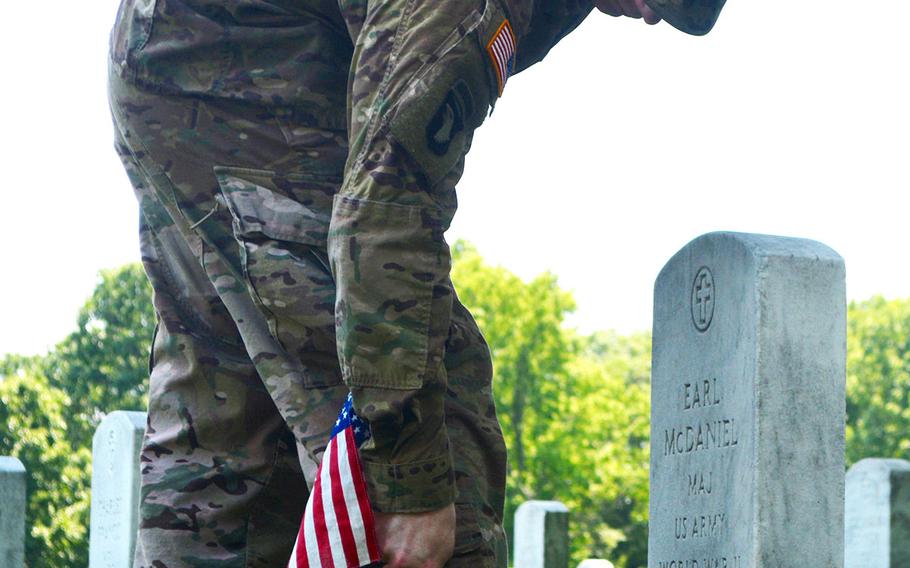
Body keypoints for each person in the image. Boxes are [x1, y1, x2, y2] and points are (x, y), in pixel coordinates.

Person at [107, 0, 658, 566]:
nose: (660, 17)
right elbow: (384, 216)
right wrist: (410, 483)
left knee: (236, 431)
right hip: (236, 79)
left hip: (187, 64)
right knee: (425, 404)